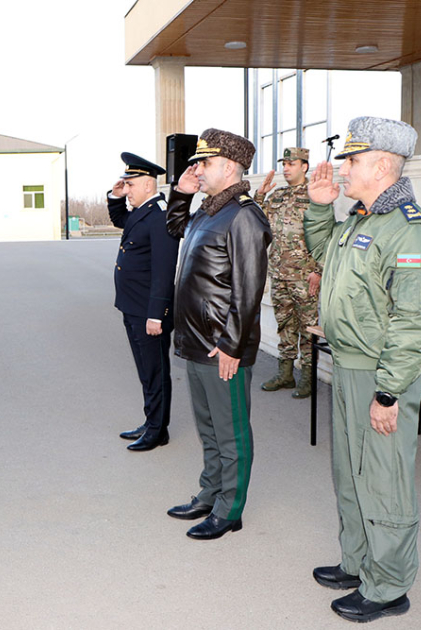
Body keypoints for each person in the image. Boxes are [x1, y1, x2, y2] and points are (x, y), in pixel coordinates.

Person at [304, 117, 421, 623]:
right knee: (351, 473)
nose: (343, 169)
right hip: (348, 366)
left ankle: (389, 585)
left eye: (352, 160)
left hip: (380, 373)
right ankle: (358, 562)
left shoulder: (412, 231)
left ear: (383, 166)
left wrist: (388, 393)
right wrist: (320, 210)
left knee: (384, 479)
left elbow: (415, 323)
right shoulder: (361, 220)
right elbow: (326, 258)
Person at [164, 129, 271, 540]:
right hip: (195, 341)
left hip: (221, 346)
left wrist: (232, 345)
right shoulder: (209, 211)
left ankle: (230, 510)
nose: (198, 169)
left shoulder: (244, 216)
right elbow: (174, 229)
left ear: (229, 167)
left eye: (204, 163)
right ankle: (210, 494)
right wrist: (181, 193)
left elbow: (248, 290)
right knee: (208, 428)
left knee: (231, 433)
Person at [107, 152, 181, 451]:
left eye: (131, 184)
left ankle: (158, 431)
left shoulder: (160, 215)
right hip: (133, 305)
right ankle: (151, 421)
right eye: (125, 184)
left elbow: (164, 270)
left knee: (155, 371)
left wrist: (156, 315)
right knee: (145, 370)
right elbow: (121, 220)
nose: (127, 190)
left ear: (148, 185)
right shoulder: (143, 212)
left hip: (148, 311)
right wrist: (115, 197)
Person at [254, 147, 322, 398]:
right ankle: (285, 374)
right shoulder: (278, 195)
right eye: (284, 164)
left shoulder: (315, 195)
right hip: (279, 273)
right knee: (284, 325)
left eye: (291, 164)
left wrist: (318, 270)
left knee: (308, 328)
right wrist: (260, 196)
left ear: (304, 166)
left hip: (304, 276)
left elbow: (324, 235)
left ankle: (308, 377)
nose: (286, 168)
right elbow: (258, 221)